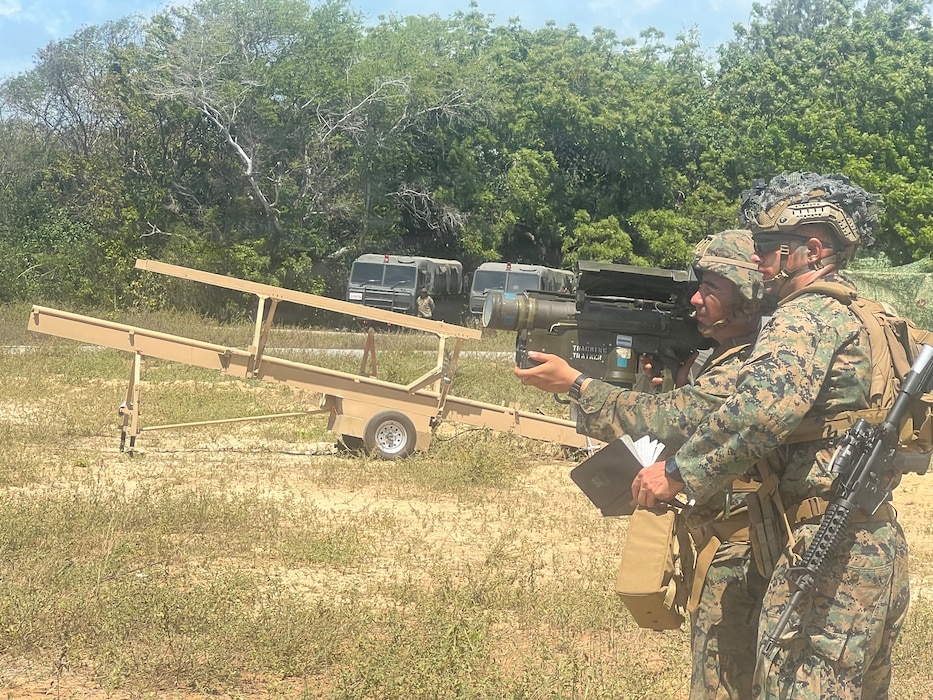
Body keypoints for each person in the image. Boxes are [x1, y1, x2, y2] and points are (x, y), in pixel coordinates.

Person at [632, 172, 907, 700]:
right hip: (877, 546)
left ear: (811, 250)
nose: (757, 262)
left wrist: (676, 473)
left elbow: (758, 414)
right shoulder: (876, 316)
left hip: (825, 553)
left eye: (767, 249)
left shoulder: (805, 314)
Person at [515, 229, 770, 699]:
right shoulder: (725, 358)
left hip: (742, 553)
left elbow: (666, 422)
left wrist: (575, 384)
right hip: (722, 542)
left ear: (751, 298)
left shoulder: (754, 364)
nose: (695, 300)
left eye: (710, 289)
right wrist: (676, 382)